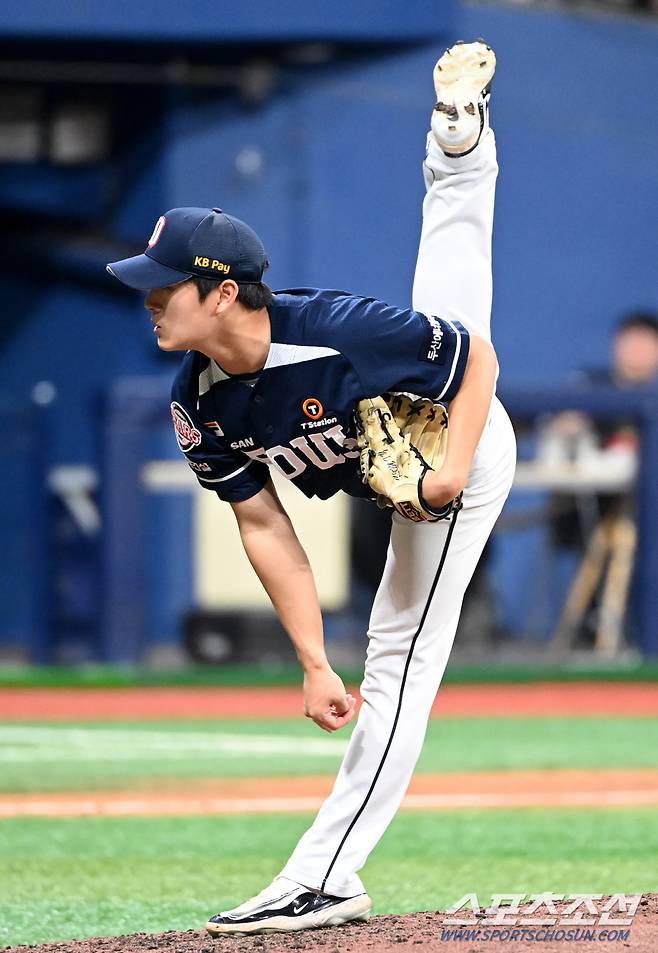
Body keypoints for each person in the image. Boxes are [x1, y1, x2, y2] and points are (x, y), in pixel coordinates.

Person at [106, 39, 516, 935]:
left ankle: (329, 874)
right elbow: (264, 524)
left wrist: (451, 468)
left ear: (221, 292)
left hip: (463, 451)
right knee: (447, 276)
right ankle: (459, 140)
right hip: (407, 434)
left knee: (399, 653)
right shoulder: (199, 404)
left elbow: (477, 359)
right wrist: (310, 659)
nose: (147, 299)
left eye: (163, 285)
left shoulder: (333, 331)